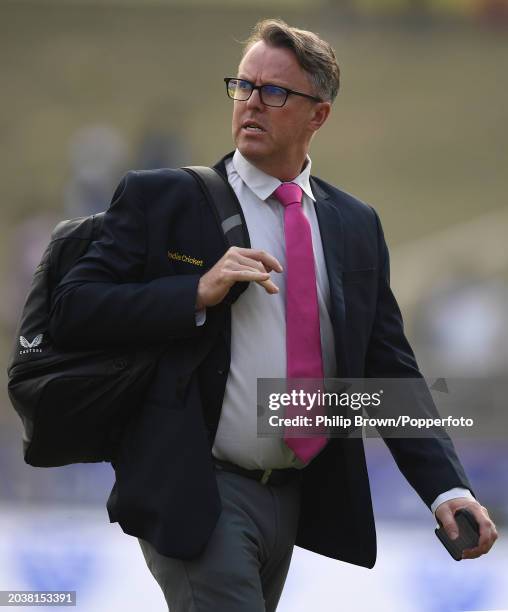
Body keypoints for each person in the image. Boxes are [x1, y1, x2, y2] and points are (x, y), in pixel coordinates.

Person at [48, 19, 498, 612]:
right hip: (196, 488)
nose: (252, 103)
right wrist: (195, 292)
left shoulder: (354, 224)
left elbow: (387, 368)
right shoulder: (167, 199)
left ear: (319, 115)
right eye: (244, 86)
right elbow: (72, 309)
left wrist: (445, 487)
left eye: (275, 92)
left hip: (291, 498)